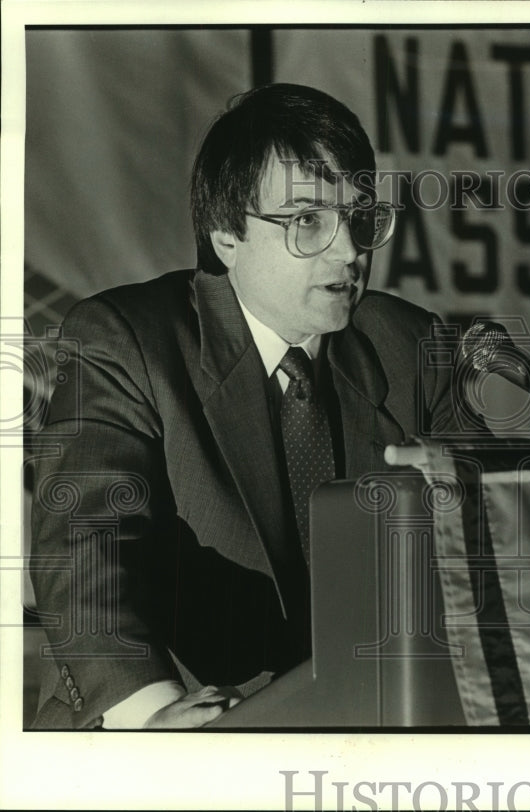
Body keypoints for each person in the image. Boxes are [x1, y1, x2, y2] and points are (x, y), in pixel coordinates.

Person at [28, 83, 465, 729]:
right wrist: (151, 713)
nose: (349, 251)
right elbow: (84, 544)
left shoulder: (410, 344)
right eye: (308, 220)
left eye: (360, 217)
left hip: (368, 732)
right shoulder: (125, 340)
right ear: (227, 234)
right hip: (177, 720)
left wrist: (464, 497)